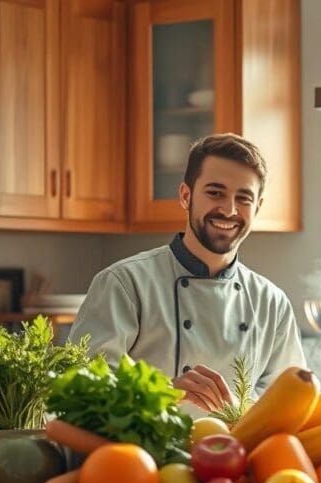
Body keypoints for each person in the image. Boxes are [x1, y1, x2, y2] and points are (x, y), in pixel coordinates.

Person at [68, 133, 306, 413]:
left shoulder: (272, 303)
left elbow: (289, 405)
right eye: (215, 193)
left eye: (243, 198)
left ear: (258, 207)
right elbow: (82, 392)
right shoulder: (124, 284)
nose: (229, 210)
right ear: (185, 196)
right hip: (149, 443)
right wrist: (164, 393)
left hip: (233, 444)